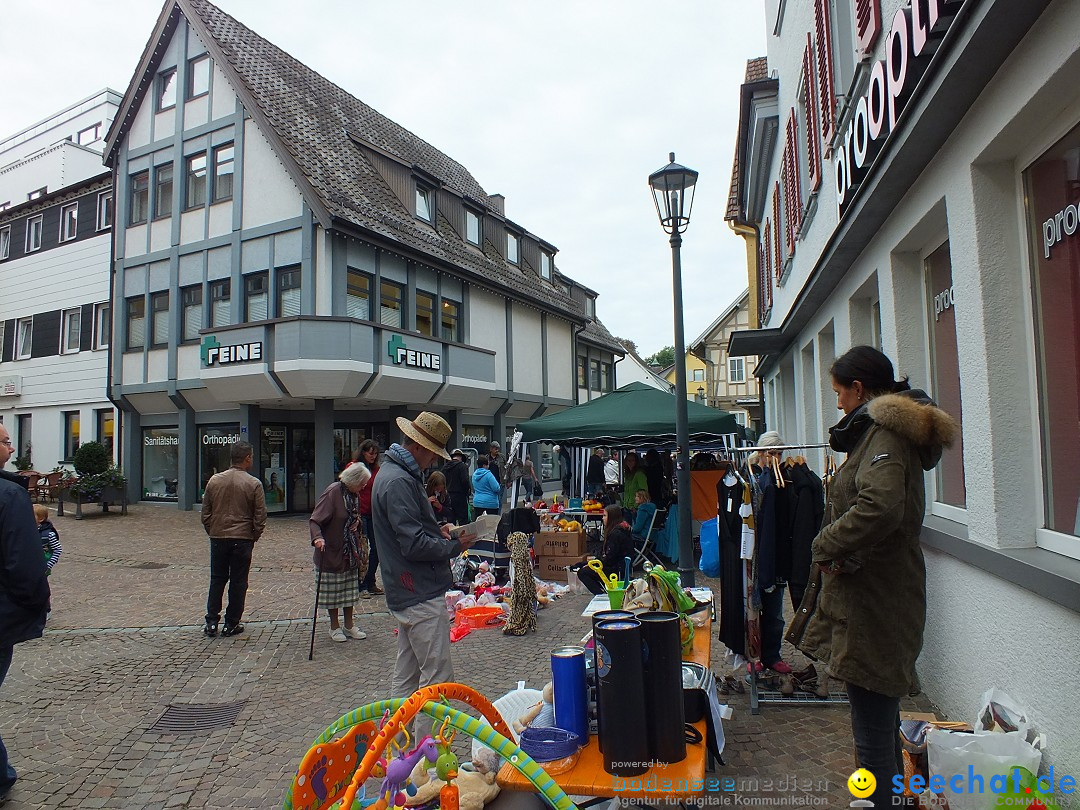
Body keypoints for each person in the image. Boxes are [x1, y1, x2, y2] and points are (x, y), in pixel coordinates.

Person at [787, 346, 957, 809]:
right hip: (876, 598)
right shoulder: (881, 435)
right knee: (874, 722)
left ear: (859, 389)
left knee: (874, 729)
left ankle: (878, 802)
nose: (838, 402)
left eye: (839, 392)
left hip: (877, 604)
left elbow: (879, 507)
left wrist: (825, 544)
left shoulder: (884, 436)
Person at [370, 412, 477, 711]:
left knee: (406, 677)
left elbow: (410, 531)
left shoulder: (393, 474)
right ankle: (427, 753)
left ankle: (400, 746)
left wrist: (439, 532)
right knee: (437, 677)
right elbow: (413, 544)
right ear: (421, 447)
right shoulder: (400, 481)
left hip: (406, 588)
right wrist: (454, 545)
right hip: (417, 589)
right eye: (434, 455)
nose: (434, 462)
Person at [0, 423, 50, 805]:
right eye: (4, 440)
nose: (11, 444)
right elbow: (26, 566)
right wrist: (35, 605)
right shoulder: (9, 496)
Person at [201, 441, 267, 638]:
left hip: (219, 536)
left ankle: (212, 621)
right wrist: (253, 535)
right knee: (238, 582)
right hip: (242, 537)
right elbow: (260, 516)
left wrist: (213, 530)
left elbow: (205, 513)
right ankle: (231, 623)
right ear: (247, 458)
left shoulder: (214, 480)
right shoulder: (253, 483)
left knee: (217, 579)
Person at [310, 463, 371, 642]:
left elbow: (354, 516)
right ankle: (334, 627)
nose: (364, 486)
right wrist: (317, 538)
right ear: (354, 480)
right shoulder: (333, 493)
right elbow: (315, 520)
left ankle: (349, 625)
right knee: (334, 591)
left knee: (349, 591)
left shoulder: (353, 495)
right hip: (331, 551)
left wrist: (357, 524)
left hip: (349, 551)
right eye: (362, 483)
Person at [576, 504, 635, 595]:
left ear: (611, 517)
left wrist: (592, 564)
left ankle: (601, 594)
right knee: (584, 565)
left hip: (616, 570)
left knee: (583, 572)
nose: (602, 518)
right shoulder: (623, 529)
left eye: (604, 515)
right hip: (622, 567)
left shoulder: (615, 534)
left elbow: (609, 558)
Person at [354, 440, 384, 598]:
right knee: (363, 551)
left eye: (375, 453)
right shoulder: (355, 467)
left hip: (373, 514)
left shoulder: (376, 470)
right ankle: (362, 584)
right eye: (370, 453)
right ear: (363, 452)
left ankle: (370, 580)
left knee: (377, 549)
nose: (373, 456)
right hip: (359, 514)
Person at [442, 449, 472, 525]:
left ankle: (452, 536)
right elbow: (465, 481)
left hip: (448, 496)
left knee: (451, 520)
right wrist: (467, 491)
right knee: (463, 521)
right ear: (461, 458)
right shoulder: (462, 466)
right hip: (460, 497)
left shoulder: (445, 467)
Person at [34, 504, 62, 574]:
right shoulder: (27, 530)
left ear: (41, 519)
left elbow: (57, 550)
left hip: (43, 567)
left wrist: (48, 565)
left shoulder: (48, 535)